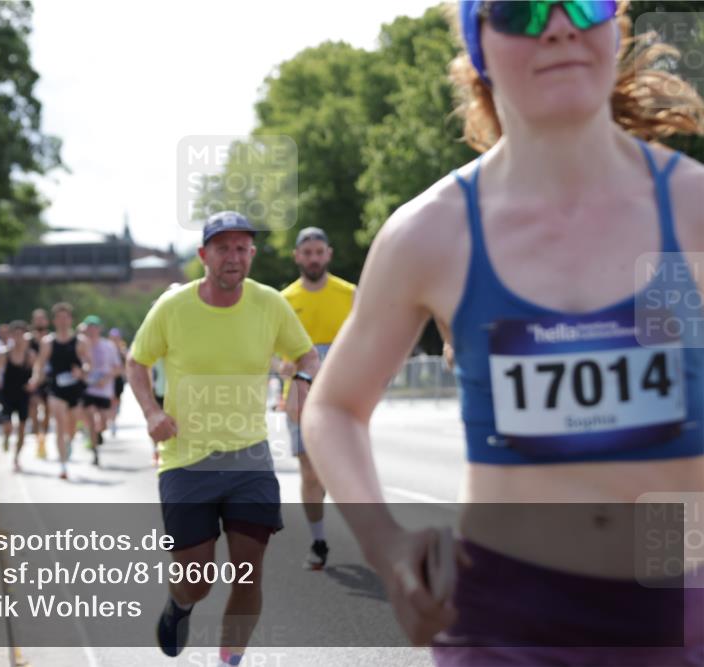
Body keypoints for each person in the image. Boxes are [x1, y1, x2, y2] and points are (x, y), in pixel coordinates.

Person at [302, 2, 704, 664]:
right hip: (504, 625)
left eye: (584, 2)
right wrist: (386, 544)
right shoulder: (431, 234)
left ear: (614, 25)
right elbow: (335, 406)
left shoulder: (690, 210)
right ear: (478, 49)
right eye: (519, 9)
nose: (559, 24)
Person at [127, 211, 319, 665]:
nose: (234, 257)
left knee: (248, 573)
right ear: (203, 255)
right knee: (197, 579)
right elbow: (137, 363)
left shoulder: (270, 303)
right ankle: (181, 604)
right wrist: (152, 412)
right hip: (185, 460)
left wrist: (303, 382)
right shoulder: (172, 307)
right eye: (223, 248)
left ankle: (228, 662)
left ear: (251, 254)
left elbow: (306, 354)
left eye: (242, 248)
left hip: (249, 458)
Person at [279, 226, 356, 570]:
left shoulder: (350, 294)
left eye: (318, 252)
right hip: (300, 394)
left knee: (339, 469)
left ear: (328, 255)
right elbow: (269, 353)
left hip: (342, 393)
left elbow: (367, 341)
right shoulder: (284, 300)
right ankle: (319, 539)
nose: (313, 258)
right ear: (297, 256)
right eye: (306, 253)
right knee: (310, 472)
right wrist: (282, 366)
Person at [28, 302, 92, 480]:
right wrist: (34, 379)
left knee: (71, 426)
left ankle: (70, 442)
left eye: (66, 317)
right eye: (59, 318)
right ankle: (63, 466)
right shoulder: (48, 342)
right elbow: (39, 365)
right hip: (56, 388)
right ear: (54, 320)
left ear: (71, 319)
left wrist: (83, 371)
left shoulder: (80, 341)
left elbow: (88, 363)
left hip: (75, 388)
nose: (63, 321)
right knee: (59, 424)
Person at [0, 320, 37, 472]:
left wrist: (33, 381)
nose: (18, 337)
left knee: (22, 428)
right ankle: (5, 437)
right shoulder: (5, 353)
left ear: (25, 336)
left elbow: (36, 372)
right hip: (7, 394)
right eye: (15, 334)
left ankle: (16, 457)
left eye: (21, 334)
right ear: (11, 336)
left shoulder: (29, 355)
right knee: (8, 426)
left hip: (23, 394)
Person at [79, 315, 123, 467]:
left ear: (99, 329)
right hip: (87, 389)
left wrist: (106, 378)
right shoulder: (80, 345)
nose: (91, 331)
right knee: (91, 420)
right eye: (88, 328)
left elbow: (118, 368)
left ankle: (95, 435)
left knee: (103, 423)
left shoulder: (109, 346)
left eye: (94, 327)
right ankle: (95, 453)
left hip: (105, 390)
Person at [28, 308, 52, 459]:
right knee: (33, 407)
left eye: (42, 319)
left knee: (48, 411)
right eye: (37, 319)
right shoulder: (28, 340)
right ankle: (38, 438)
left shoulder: (51, 340)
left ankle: (43, 436)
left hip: (49, 379)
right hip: (33, 379)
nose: (39, 322)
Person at [107, 327, 128, 438]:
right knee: (110, 400)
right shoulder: (106, 348)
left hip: (118, 379)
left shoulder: (122, 350)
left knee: (116, 401)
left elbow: (126, 365)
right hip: (108, 379)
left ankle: (113, 420)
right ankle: (111, 420)